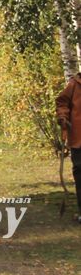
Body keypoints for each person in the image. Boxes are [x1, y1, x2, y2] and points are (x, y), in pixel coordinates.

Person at [56, 72, 81, 224]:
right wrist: (63, 117)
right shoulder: (74, 85)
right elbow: (62, 102)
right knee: (80, 175)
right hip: (79, 138)